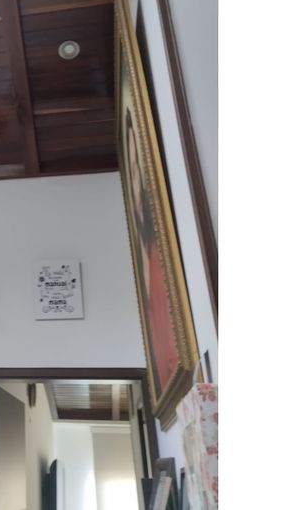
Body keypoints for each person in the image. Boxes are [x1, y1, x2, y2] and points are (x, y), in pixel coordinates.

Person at [124, 109, 179, 392]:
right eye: (131, 172)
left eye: (136, 170)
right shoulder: (147, 256)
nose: (136, 185)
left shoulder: (159, 254)